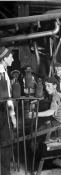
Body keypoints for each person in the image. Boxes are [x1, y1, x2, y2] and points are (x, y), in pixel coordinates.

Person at [0, 46, 16, 175]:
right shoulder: (1, 74)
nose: (13, 58)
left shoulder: (3, 71)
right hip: (2, 112)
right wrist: (13, 116)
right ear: (4, 58)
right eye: (11, 56)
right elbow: (6, 97)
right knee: (5, 143)